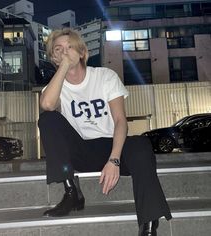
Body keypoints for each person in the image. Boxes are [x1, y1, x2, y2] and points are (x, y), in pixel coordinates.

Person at [38, 28, 172, 236]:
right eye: (59, 49)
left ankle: (148, 225)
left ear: (82, 52)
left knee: (140, 144)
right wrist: (64, 66)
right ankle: (71, 192)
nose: (65, 52)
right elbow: (47, 104)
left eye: (70, 47)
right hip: (82, 151)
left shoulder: (105, 76)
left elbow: (120, 121)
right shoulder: (56, 85)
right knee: (48, 119)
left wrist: (115, 159)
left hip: (112, 147)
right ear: (54, 57)